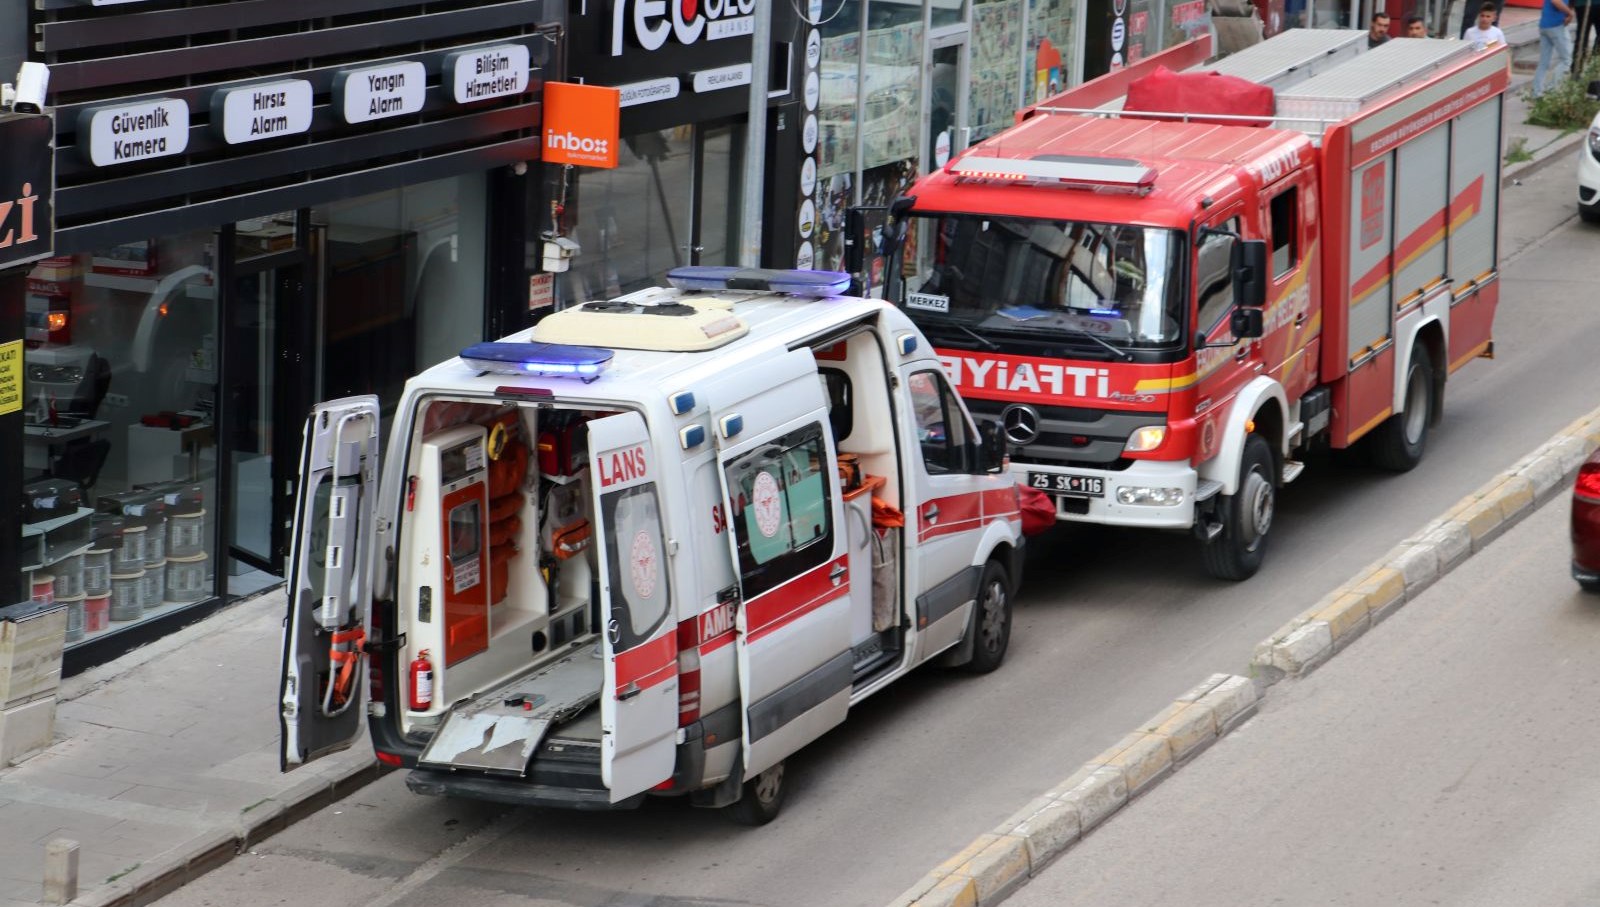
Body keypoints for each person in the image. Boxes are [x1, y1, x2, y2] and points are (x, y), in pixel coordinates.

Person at [1534, 0, 1576, 97]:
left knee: (1543, 62)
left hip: (1544, 25)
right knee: (1567, 60)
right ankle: (1551, 90)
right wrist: (1570, 13)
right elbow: (1555, 1)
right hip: (1555, 25)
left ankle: (1537, 93)